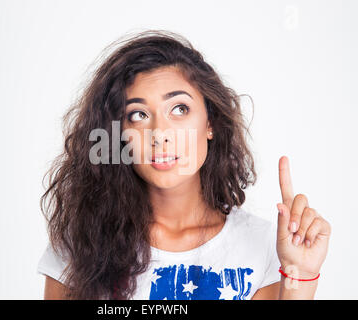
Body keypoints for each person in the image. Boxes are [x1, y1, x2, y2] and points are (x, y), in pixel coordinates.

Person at [37, 30, 331, 300]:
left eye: (179, 109)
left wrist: (300, 276)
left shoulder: (263, 245)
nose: (160, 134)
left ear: (210, 123)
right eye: (138, 115)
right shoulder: (81, 241)